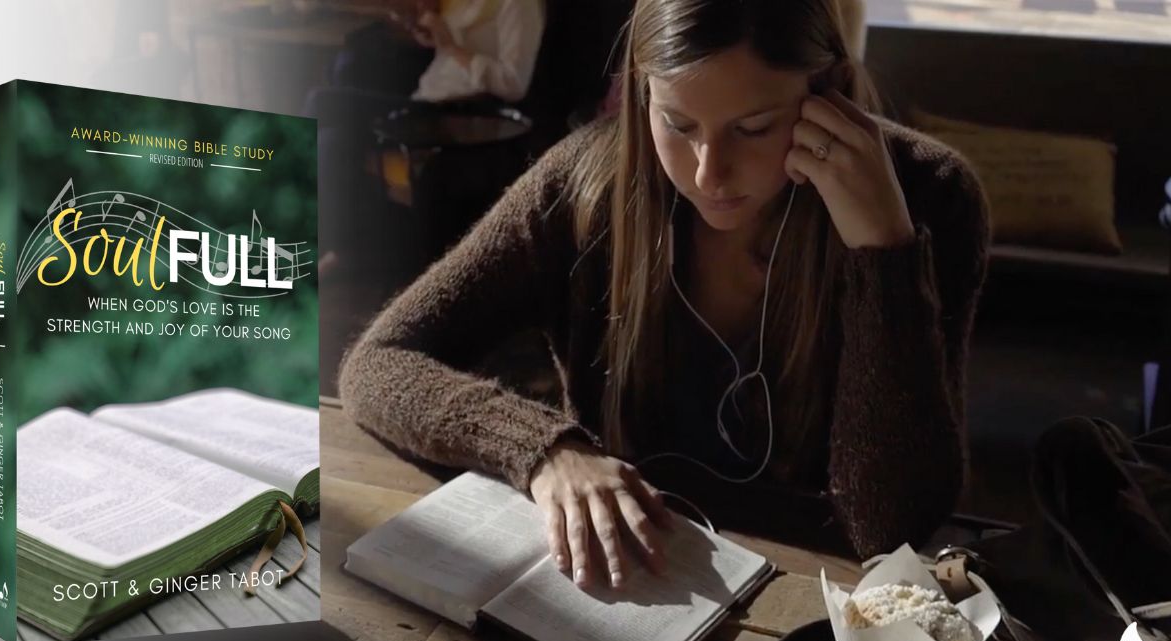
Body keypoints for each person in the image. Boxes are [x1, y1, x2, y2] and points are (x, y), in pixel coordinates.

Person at [338, 0, 991, 590]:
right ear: (640, 94)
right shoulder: (583, 185)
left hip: (818, 603)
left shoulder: (930, 195)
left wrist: (882, 253)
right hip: (630, 577)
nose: (710, 173)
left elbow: (891, 527)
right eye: (677, 123)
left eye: (755, 128)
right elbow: (377, 364)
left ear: (830, 95)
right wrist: (545, 450)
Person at [309, 0, 545, 277]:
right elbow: (447, 57)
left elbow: (514, 84)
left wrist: (451, 47)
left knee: (321, 103)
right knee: (331, 137)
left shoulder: (519, 6)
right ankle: (340, 247)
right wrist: (431, 36)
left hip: (465, 110)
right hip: (426, 100)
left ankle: (344, 251)